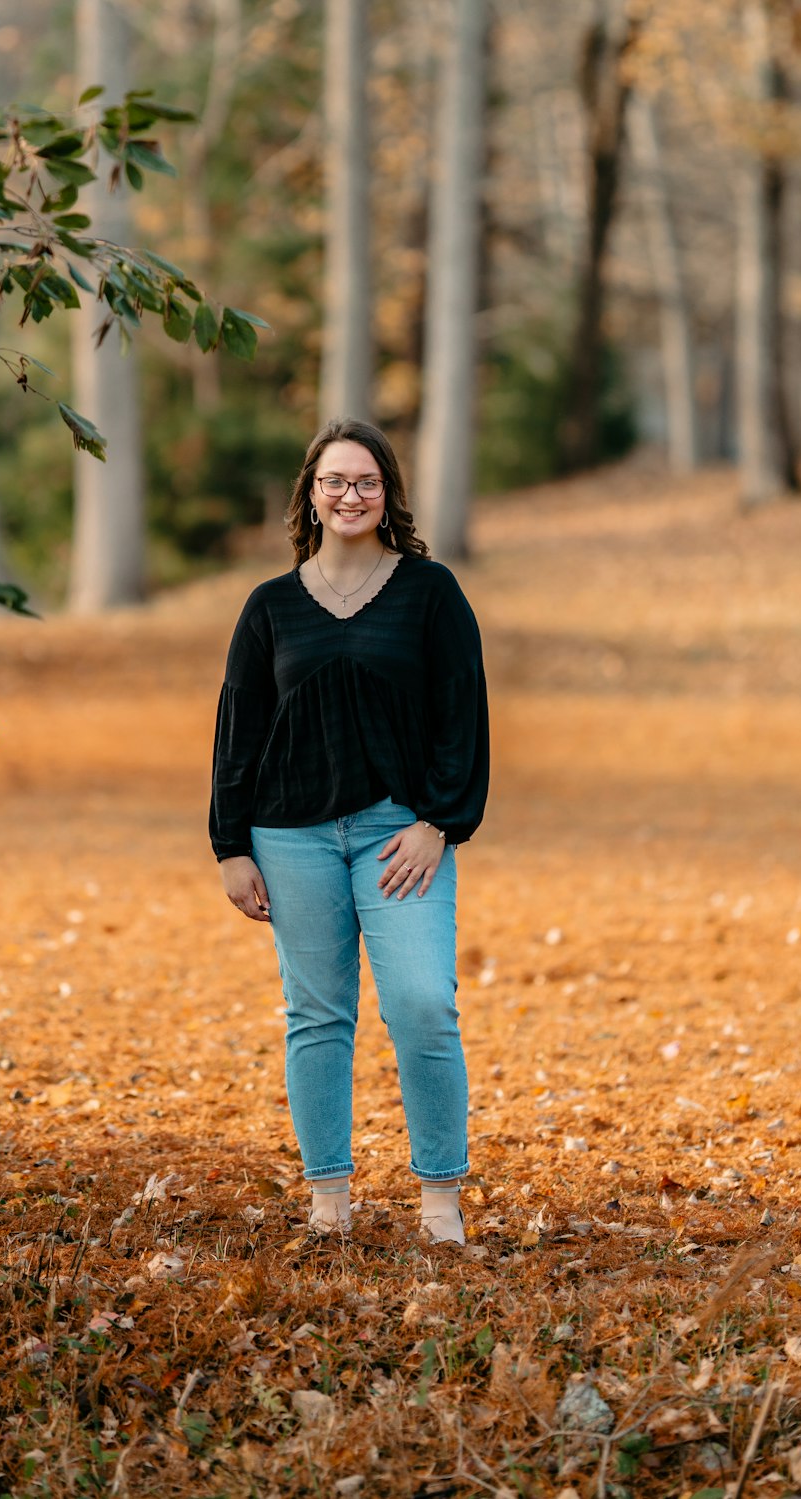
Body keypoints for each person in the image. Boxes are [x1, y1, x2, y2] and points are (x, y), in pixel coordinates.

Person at [209, 417, 489, 1245]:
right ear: (311, 495)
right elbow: (239, 728)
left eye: (365, 481)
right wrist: (231, 845)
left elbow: (461, 715)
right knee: (317, 1013)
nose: (350, 495)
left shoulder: (430, 591)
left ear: (388, 494)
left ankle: (440, 1197)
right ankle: (329, 1198)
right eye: (334, 481)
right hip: (290, 837)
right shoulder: (269, 606)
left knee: (422, 1003)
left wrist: (440, 821)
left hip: (399, 835)